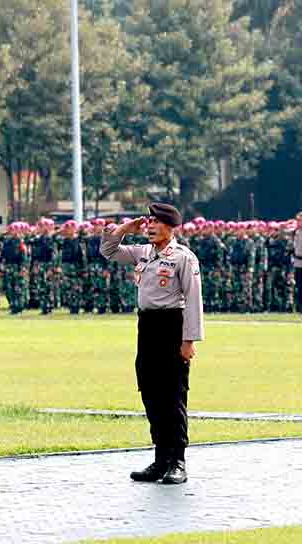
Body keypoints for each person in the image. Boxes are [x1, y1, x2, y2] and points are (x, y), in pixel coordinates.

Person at [102, 203, 203, 485]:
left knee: (173, 394)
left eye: (156, 222)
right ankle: (160, 459)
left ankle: (177, 460)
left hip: (172, 325)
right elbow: (108, 251)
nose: (149, 226)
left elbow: (193, 301)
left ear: (170, 226)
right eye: (147, 222)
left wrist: (189, 340)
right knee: (150, 390)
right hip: (146, 326)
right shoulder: (143, 253)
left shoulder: (184, 257)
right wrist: (124, 229)